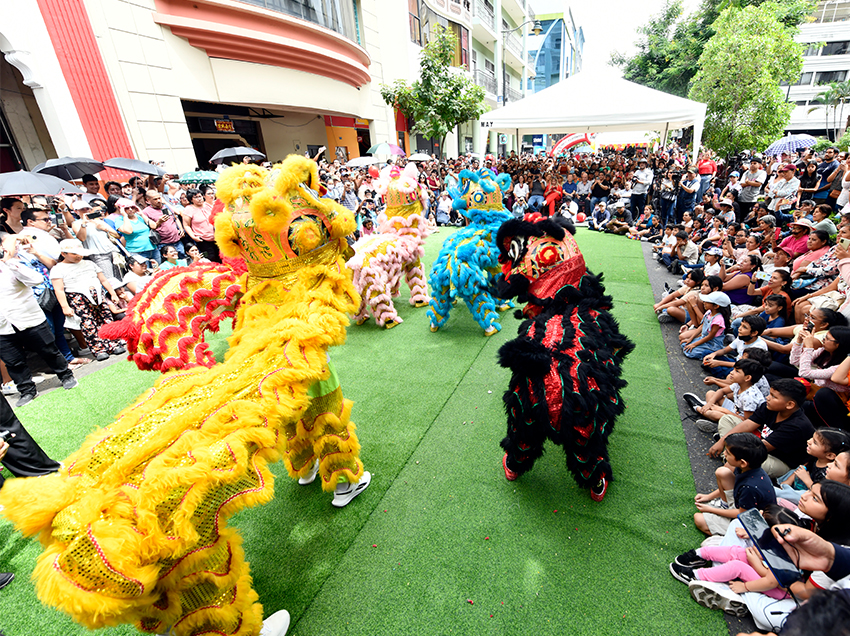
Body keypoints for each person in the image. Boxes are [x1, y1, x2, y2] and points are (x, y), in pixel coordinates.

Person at [0, 234, 77, 407]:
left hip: (28, 318)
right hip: (3, 326)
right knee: (13, 361)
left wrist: (9, 262)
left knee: (48, 350)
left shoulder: (13, 265)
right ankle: (26, 390)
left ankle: (66, 376)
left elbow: (37, 280)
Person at [708, 378, 816, 479]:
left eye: (774, 396)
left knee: (741, 461)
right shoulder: (769, 406)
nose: (768, 398)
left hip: (780, 461)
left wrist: (732, 447)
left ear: (789, 405)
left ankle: (729, 455)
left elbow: (761, 448)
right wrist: (723, 441)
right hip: (760, 442)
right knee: (727, 420)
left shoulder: (797, 426)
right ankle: (728, 453)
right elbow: (748, 424)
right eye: (769, 394)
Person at [51, 239, 125, 362]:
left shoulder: (89, 264)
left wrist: (112, 293)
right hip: (78, 298)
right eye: (74, 254)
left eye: (79, 253)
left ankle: (114, 344)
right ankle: (98, 349)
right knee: (88, 324)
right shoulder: (58, 269)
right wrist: (65, 306)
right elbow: (59, 289)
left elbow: (103, 280)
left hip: (98, 296)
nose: (78, 256)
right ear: (64, 254)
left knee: (106, 319)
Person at [692, 432, 777, 536]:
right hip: (742, 505)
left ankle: (727, 536)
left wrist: (711, 510)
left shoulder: (750, 487)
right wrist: (708, 496)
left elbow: (741, 513)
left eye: (728, 453)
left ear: (743, 462)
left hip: (750, 521)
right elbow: (735, 485)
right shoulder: (746, 468)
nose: (724, 454)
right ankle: (724, 505)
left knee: (699, 519)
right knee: (722, 472)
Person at [775, 429, 850, 503]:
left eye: (815, 442)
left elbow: (818, 493)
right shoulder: (816, 458)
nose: (809, 441)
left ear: (830, 455)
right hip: (800, 483)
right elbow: (801, 468)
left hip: (808, 492)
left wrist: (807, 480)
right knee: (795, 471)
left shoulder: (827, 473)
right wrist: (788, 481)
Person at [689, 358, 766, 428]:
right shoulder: (739, 384)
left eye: (737, 371)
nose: (731, 372)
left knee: (717, 414)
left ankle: (698, 408)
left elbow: (747, 421)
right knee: (710, 393)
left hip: (740, 420)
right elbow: (722, 391)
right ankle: (709, 412)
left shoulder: (750, 397)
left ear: (747, 378)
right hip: (735, 410)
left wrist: (722, 410)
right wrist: (710, 404)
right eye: (734, 369)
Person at [698, 315, 768, 379]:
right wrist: (713, 354)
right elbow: (725, 350)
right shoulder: (742, 337)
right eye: (741, 325)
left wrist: (719, 363)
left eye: (744, 327)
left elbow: (746, 366)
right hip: (735, 361)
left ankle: (720, 374)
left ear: (754, 333)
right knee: (706, 353)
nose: (739, 329)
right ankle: (719, 371)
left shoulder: (759, 346)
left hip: (744, 369)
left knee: (732, 372)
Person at [680, 290, 731, 359]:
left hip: (712, 343)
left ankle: (714, 353)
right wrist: (690, 339)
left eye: (707, 302)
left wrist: (694, 344)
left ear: (716, 306)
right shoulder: (709, 312)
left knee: (690, 352)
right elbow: (702, 326)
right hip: (704, 338)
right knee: (684, 345)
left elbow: (710, 336)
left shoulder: (718, 320)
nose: (704, 303)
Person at [141, 190, 185, 258]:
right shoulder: (146, 212)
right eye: (155, 199)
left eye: (159, 198)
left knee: (182, 261)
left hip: (177, 241)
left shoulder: (166, 207)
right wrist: (159, 222)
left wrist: (181, 229)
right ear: (148, 200)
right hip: (163, 243)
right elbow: (151, 227)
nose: (158, 200)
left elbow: (175, 218)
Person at [115, 198, 159, 263]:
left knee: (159, 271)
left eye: (132, 207)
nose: (130, 209)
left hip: (153, 249)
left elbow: (154, 226)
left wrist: (142, 214)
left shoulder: (139, 216)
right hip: (137, 252)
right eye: (127, 208)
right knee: (144, 272)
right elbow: (128, 231)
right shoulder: (119, 219)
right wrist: (125, 215)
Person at [181, 188, 219, 262]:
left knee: (220, 257)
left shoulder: (208, 205)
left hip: (216, 237)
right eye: (196, 197)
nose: (199, 199)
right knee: (210, 259)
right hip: (203, 239)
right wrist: (193, 237)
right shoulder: (189, 209)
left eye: (200, 196)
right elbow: (186, 225)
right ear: (191, 200)